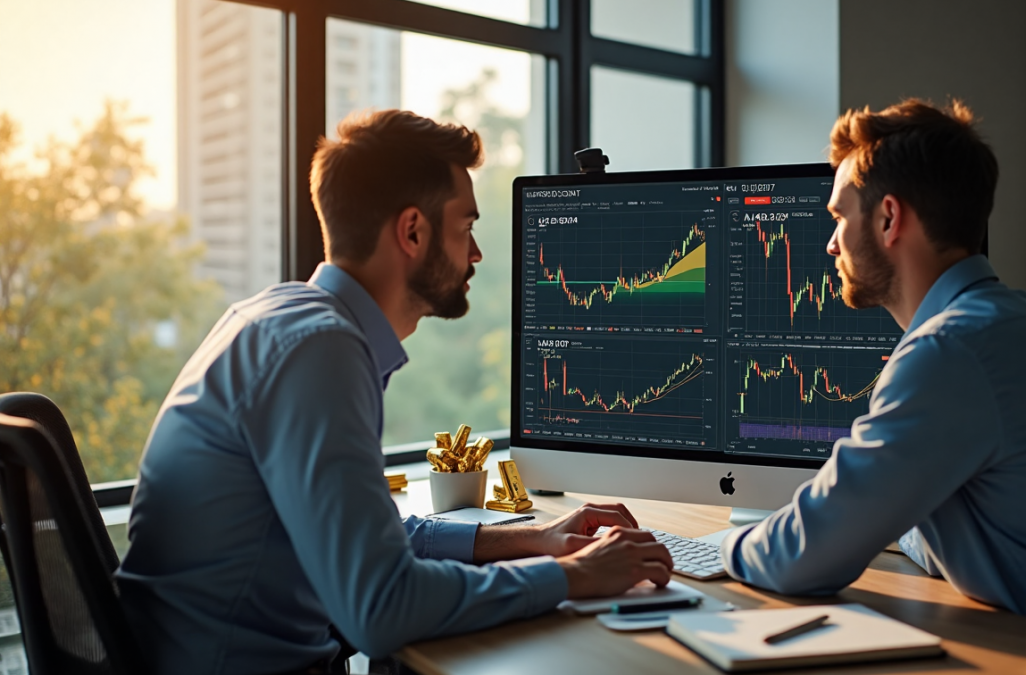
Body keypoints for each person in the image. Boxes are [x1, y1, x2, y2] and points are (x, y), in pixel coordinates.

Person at [116, 110, 673, 675]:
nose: (475, 253)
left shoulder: (281, 317)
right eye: (465, 227)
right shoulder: (320, 351)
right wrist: (574, 576)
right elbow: (381, 608)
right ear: (412, 232)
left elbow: (375, 536)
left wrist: (540, 541)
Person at [719, 99, 1026, 652]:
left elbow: (801, 559)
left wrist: (704, 550)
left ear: (889, 218)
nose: (832, 242)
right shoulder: (1007, 319)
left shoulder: (951, 349)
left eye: (840, 215)